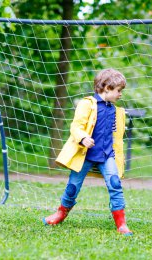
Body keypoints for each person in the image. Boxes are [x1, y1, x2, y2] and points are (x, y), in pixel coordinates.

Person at [42, 68, 132, 236]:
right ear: (106, 88)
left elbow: (116, 136)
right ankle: (60, 214)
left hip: (107, 156)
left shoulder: (117, 111)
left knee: (115, 184)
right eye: (118, 90)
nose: (120, 94)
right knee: (72, 187)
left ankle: (121, 223)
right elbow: (76, 126)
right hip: (85, 156)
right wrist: (83, 138)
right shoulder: (87, 104)